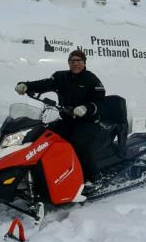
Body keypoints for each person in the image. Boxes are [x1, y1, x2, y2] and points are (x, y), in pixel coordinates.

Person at [15, 50, 108, 181]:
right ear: (69, 63)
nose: (75, 64)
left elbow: (101, 103)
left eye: (78, 61)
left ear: (84, 62)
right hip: (67, 120)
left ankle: (93, 177)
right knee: (42, 136)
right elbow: (44, 83)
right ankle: (42, 172)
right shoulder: (61, 77)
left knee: (77, 143)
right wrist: (26, 85)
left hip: (88, 122)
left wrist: (86, 108)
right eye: (72, 61)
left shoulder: (91, 79)